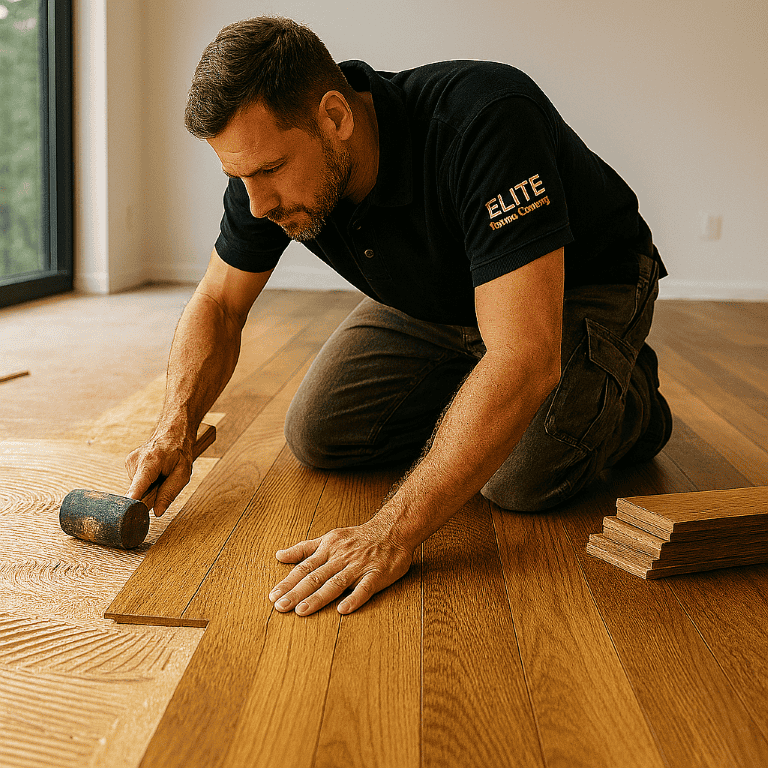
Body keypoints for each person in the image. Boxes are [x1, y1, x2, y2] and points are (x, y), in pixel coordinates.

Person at [126, 16, 672, 617]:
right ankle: (491, 393)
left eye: (271, 171)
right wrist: (174, 424)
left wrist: (392, 532)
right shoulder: (262, 168)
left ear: (335, 118)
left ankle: (626, 396)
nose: (257, 203)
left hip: (580, 286)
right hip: (442, 300)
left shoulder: (486, 119)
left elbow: (523, 354)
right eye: (239, 177)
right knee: (320, 432)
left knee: (519, 480)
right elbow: (220, 304)